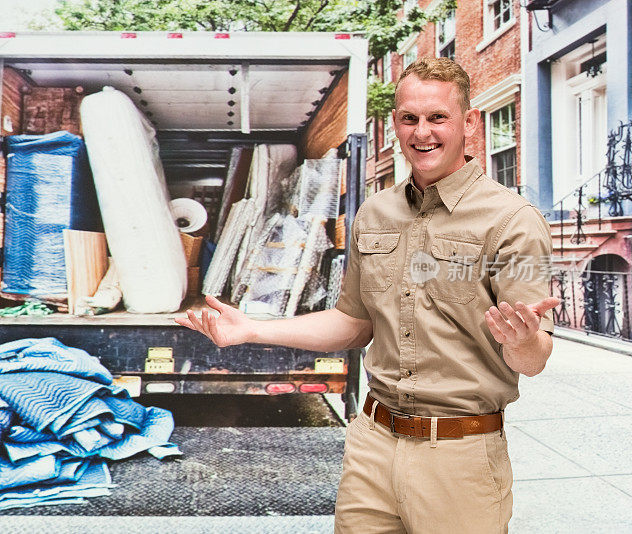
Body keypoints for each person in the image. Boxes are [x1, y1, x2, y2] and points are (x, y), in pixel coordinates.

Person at [175, 57, 559, 533]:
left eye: (438, 117)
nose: (423, 132)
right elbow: (353, 323)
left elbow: (534, 358)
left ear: (469, 123)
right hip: (372, 445)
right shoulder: (376, 213)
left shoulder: (514, 221)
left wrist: (522, 341)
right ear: (395, 123)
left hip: (459, 456)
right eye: (409, 118)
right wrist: (253, 329)